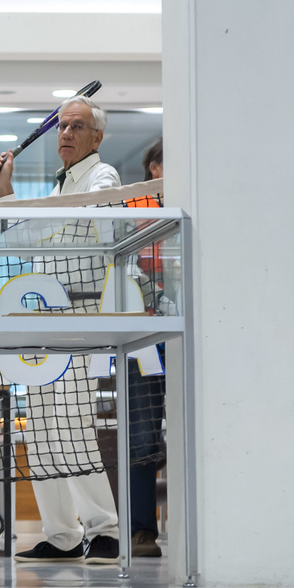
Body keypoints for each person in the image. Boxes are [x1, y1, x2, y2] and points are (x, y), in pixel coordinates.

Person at [0, 96, 123, 564]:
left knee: (72, 425)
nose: (66, 133)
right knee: (42, 429)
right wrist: (7, 191)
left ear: (96, 137)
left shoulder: (102, 178)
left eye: (77, 126)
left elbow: (65, 228)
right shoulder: (58, 186)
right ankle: (61, 534)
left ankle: (106, 530)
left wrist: (33, 216)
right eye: (62, 126)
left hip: (79, 318)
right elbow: (21, 243)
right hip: (42, 320)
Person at [126, 138, 166, 558]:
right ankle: (142, 530)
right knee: (141, 432)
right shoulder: (132, 206)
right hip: (143, 334)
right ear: (155, 168)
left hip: (192, 332)